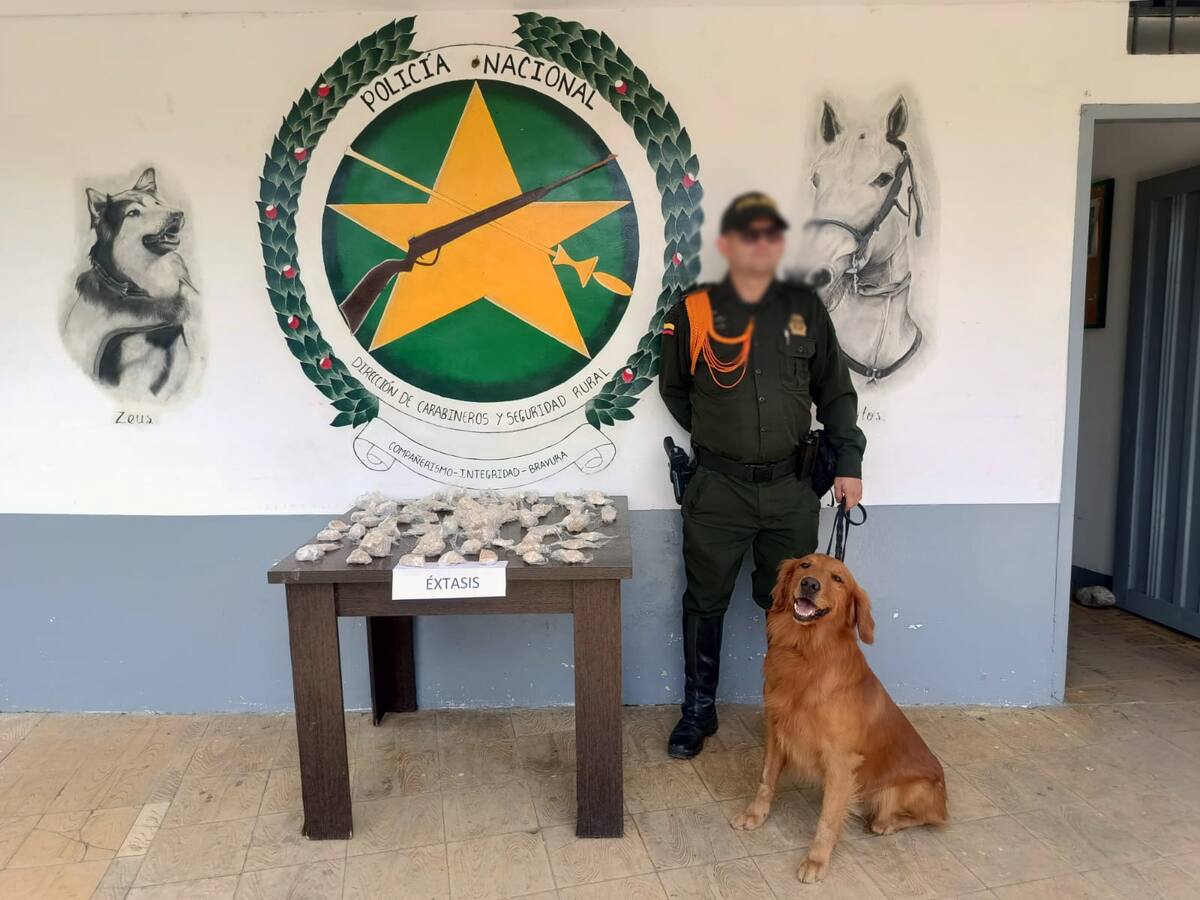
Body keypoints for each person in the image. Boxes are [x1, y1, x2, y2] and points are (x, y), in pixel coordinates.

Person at [658, 191, 867, 759]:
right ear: (727, 245)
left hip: (790, 490)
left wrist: (849, 464)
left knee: (800, 604)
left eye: (769, 236)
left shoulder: (805, 310)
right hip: (717, 490)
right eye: (746, 236)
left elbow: (836, 393)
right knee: (704, 600)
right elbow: (675, 390)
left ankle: (798, 709)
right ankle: (698, 711)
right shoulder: (695, 312)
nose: (759, 246)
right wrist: (723, 436)